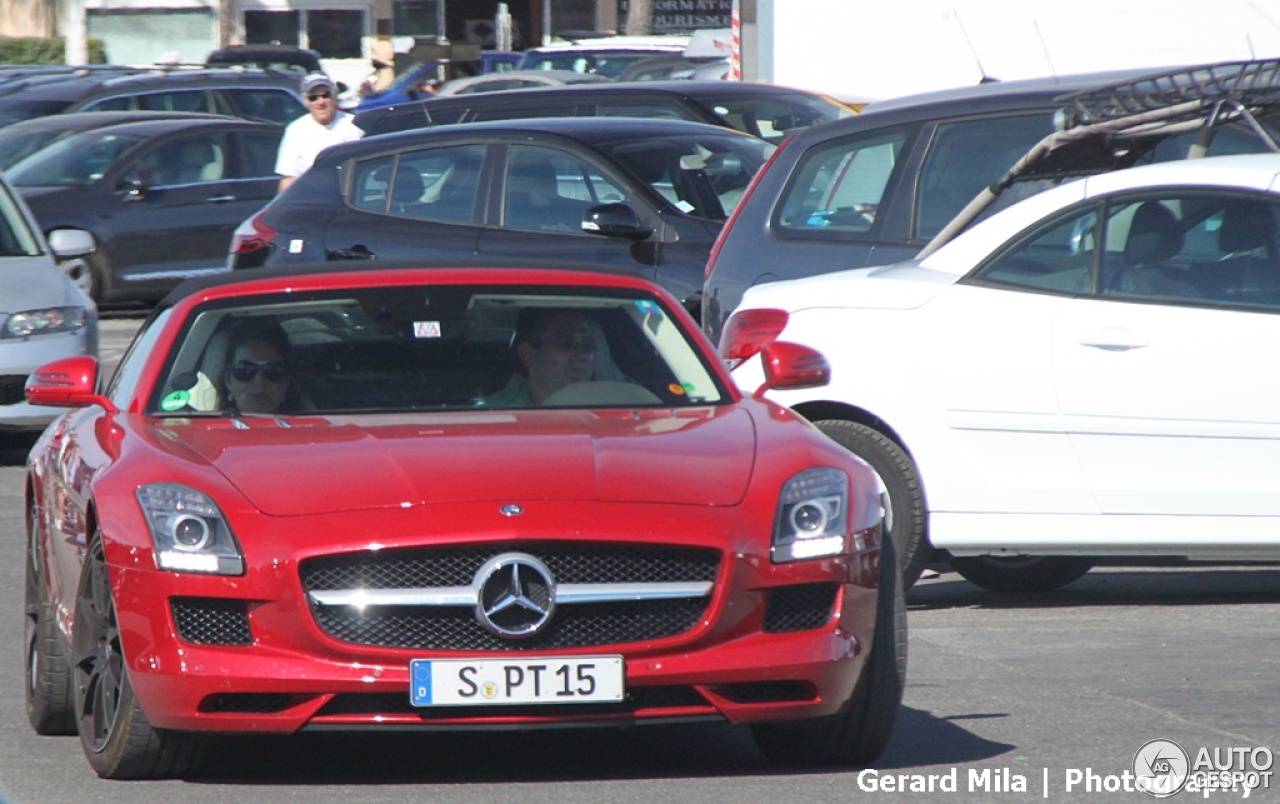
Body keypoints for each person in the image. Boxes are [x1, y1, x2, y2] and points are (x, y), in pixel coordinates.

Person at [482, 308, 597, 406]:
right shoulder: (492, 414)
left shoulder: (610, 405)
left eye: (588, 345)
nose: (583, 355)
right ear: (528, 355)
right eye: (566, 343)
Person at [274, 72, 364, 193]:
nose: (320, 102)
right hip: (311, 200)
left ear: (334, 96)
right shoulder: (295, 130)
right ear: (305, 101)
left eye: (325, 95)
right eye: (313, 97)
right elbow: (288, 178)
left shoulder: (354, 125)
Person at [220, 319, 296, 415]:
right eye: (245, 370)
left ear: (287, 382)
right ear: (228, 380)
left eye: (273, 371)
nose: (259, 382)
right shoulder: (204, 427)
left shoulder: (314, 426)